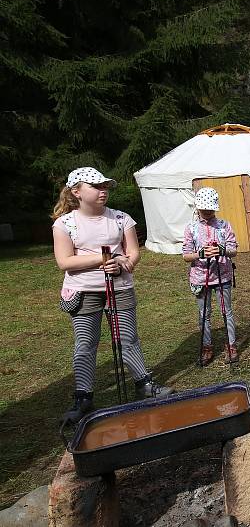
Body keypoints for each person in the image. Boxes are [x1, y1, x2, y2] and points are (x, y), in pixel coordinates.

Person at [52, 167, 173, 423]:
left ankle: (144, 384)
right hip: (84, 291)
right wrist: (105, 258)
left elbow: (133, 253)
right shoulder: (65, 224)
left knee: (128, 339)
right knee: (86, 344)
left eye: (105, 186)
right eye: (96, 187)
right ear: (77, 192)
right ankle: (83, 396)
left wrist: (124, 262)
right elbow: (64, 261)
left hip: (119, 288)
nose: (102, 190)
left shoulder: (121, 219)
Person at [182, 187, 239, 365]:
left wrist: (222, 250)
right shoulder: (191, 228)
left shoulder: (224, 226)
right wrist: (200, 254)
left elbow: (233, 250)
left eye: (210, 208)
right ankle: (207, 346)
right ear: (197, 207)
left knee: (226, 311)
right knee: (203, 313)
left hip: (223, 275)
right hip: (200, 277)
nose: (207, 211)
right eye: (203, 208)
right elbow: (186, 255)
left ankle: (231, 344)